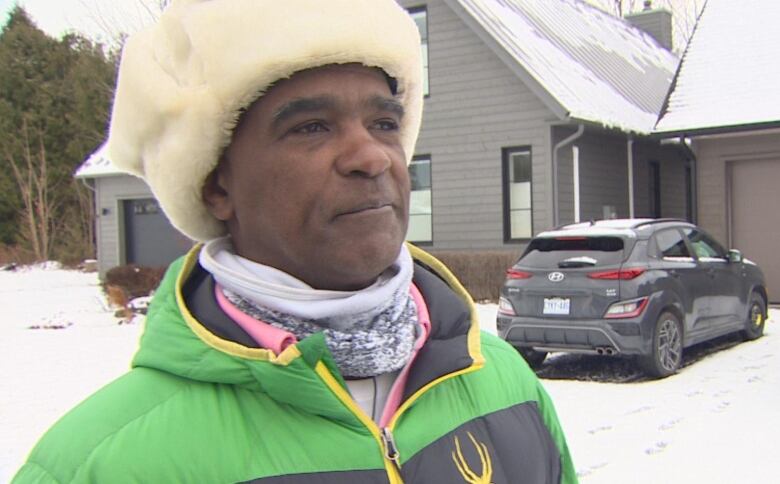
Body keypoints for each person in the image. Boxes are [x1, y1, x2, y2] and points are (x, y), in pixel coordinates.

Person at [14, 1, 577, 482]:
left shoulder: (503, 381)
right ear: (216, 185)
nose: (372, 156)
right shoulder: (101, 463)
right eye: (311, 127)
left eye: (384, 123)